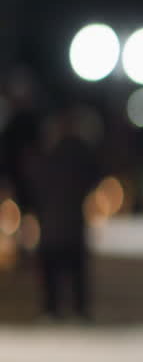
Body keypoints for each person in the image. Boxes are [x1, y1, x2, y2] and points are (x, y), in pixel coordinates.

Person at [30, 106, 101, 321]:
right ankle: (73, 307)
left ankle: (55, 307)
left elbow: (36, 182)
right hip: (66, 220)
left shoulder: (52, 152)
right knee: (70, 265)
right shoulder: (76, 152)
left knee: (58, 265)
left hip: (57, 220)